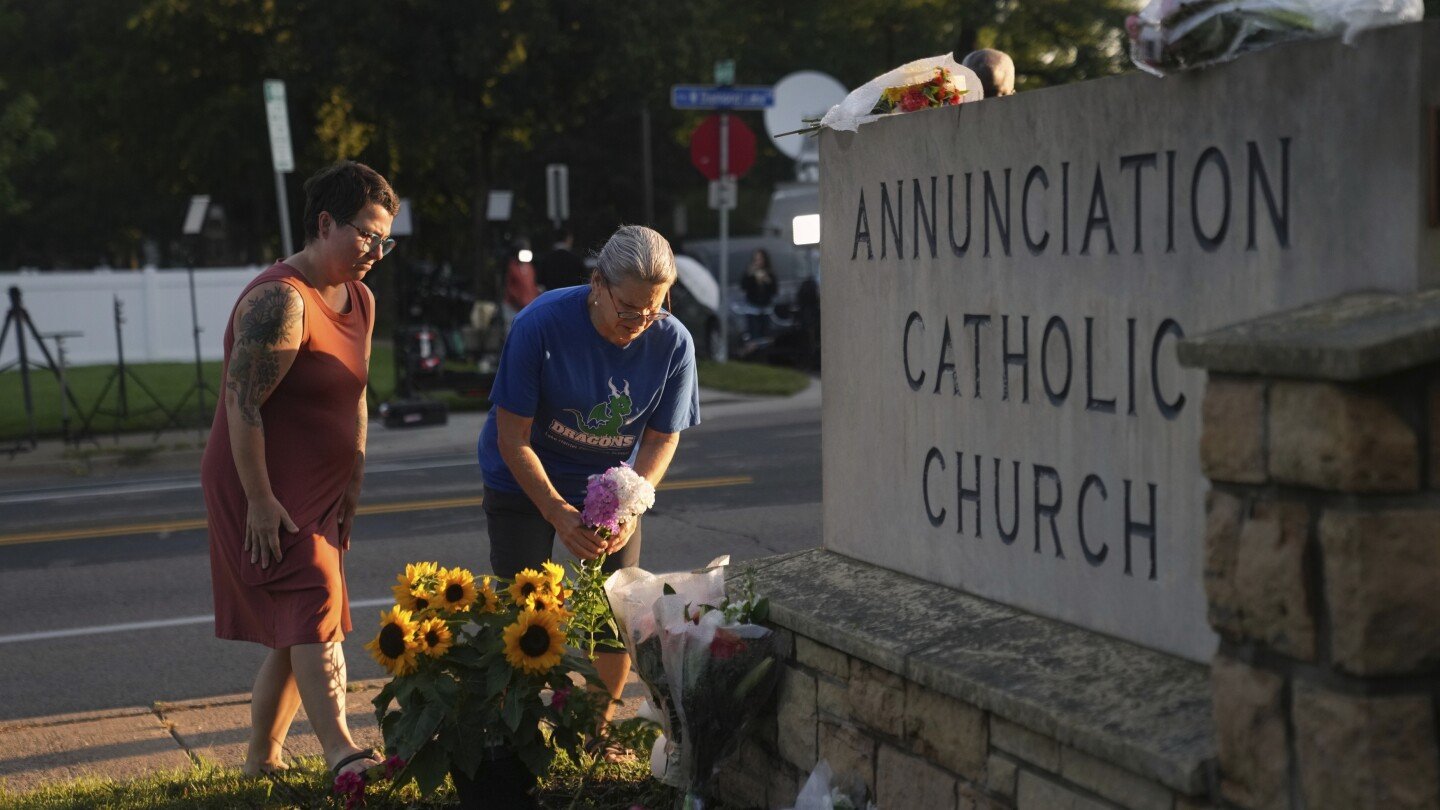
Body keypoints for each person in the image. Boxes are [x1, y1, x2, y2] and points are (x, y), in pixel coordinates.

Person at [201, 161, 398, 780]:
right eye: (367, 236)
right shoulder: (281, 301)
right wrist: (260, 500)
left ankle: (261, 759)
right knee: (315, 600)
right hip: (262, 481)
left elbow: (355, 392)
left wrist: (354, 475)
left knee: (299, 629)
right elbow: (242, 406)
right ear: (325, 223)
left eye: (385, 241)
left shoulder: (360, 298)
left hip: (321, 485)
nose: (377, 252)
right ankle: (342, 751)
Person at [476, 224, 700, 753]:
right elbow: (513, 438)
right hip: (526, 477)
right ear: (597, 283)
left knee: (616, 609)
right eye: (628, 308)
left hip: (609, 484)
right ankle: (517, 735)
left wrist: (631, 501)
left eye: (653, 310)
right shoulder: (540, 323)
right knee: (525, 610)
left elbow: (661, 438)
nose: (638, 323)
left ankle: (594, 729)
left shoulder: (673, 341)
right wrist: (556, 511)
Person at [740, 248, 777, 340]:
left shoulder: (770, 273)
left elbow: (774, 291)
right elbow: (743, 287)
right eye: (756, 259)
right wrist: (749, 275)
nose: (758, 262)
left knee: (767, 334)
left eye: (760, 259)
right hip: (752, 308)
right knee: (754, 334)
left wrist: (767, 280)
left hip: (766, 308)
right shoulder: (749, 273)